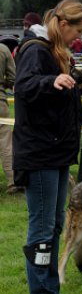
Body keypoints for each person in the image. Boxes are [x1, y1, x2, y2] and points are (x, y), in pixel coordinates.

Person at [13, 0, 82, 294]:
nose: (78, 37)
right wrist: (50, 81)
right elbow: (23, 86)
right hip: (40, 156)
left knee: (55, 227)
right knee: (42, 230)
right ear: (63, 24)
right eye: (77, 30)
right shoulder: (35, 49)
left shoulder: (56, 51)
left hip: (58, 153)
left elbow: (62, 88)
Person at [0, 40, 18, 193]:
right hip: (0, 101)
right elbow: (13, 78)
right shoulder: (3, 49)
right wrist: (3, 84)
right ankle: (12, 181)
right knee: (5, 141)